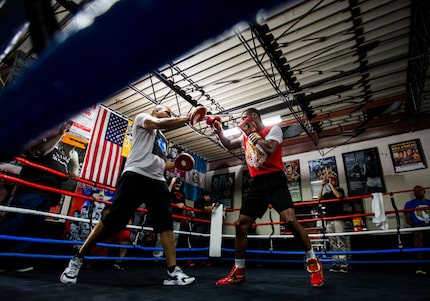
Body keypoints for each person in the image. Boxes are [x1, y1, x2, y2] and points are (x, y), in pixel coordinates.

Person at [60, 104, 195, 285]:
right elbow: (160, 123)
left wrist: (178, 164)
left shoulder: (162, 139)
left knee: (166, 225)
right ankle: (77, 259)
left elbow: (160, 163)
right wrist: (188, 118)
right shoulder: (143, 119)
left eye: (171, 114)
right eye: (167, 112)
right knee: (112, 220)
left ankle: (173, 272)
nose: (170, 114)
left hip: (158, 181)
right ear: (155, 110)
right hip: (135, 175)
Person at [208, 108, 324, 287]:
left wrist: (254, 135)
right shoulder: (244, 137)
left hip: (275, 179)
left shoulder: (273, 130)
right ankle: (239, 271)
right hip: (256, 183)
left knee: (290, 221)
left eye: (244, 117)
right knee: (241, 225)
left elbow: (270, 149)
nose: (242, 121)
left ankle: (313, 262)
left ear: (254, 116)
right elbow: (229, 144)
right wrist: (219, 132)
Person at [0, 120, 76, 272]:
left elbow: (68, 175)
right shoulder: (40, 142)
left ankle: (11, 263)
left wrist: (73, 163)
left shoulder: (60, 155)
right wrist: (61, 133)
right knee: (12, 225)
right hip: (30, 192)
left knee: (29, 231)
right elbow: (40, 151)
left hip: (47, 197)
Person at [317, 175, 347, 273]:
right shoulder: (327, 194)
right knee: (333, 242)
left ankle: (343, 264)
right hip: (329, 220)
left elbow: (338, 196)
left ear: (336, 181)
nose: (330, 181)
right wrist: (322, 186)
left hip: (338, 219)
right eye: (329, 180)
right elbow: (318, 199)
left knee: (341, 241)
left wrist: (331, 185)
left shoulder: (340, 190)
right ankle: (336, 263)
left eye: (332, 180)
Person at [153, 176, 186, 260]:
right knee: (162, 236)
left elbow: (183, 204)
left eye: (180, 181)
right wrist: (172, 182)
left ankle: (169, 257)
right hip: (166, 215)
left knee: (175, 237)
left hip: (177, 217)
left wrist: (182, 205)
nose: (178, 182)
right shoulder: (169, 189)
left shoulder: (182, 194)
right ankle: (157, 256)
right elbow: (166, 194)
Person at [404, 186, 430, 275]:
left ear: (424, 191)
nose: (417, 192)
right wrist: (416, 227)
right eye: (415, 191)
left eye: (419, 190)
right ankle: (419, 267)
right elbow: (408, 219)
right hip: (418, 227)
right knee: (419, 243)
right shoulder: (409, 204)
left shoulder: (429, 202)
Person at [190, 190, 219, 267]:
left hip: (206, 224)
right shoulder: (198, 202)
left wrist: (216, 204)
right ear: (203, 196)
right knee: (195, 241)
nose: (207, 198)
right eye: (206, 196)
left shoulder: (210, 202)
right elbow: (205, 208)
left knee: (205, 241)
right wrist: (213, 206)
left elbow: (217, 203)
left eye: (208, 196)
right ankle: (191, 259)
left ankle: (203, 259)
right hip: (198, 224)